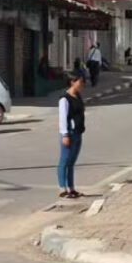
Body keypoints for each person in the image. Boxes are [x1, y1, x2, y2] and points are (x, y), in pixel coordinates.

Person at [56, 71, 86, 199]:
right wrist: (65, 135)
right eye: (80, 82)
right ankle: (62, 189)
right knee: (64, 160)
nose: (82, 84)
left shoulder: (78, 96)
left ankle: (71, 188)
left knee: (71, 162)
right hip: (69, 133)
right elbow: (63, 118)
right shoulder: (64, 99)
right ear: (72, 82)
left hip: (78, 133)